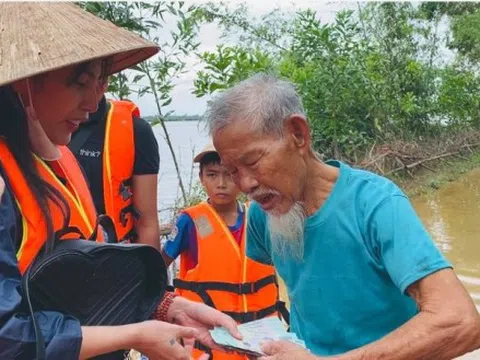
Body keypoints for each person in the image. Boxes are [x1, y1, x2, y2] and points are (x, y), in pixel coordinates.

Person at [0, 3, 240, 359]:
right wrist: (137, 336)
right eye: (81, 83)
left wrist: (163, 307)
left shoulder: (53, 158)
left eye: (101, 83)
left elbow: (84, 276)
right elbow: (9, 336)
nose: (95, 102)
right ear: (24, 84)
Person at [204, 73, 480, 360]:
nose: (245, 184)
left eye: (252, 162)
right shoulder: (265, 214)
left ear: (298, 134)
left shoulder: (376, 204)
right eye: (232, 170)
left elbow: (461, 321)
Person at [161, 144, 282, 360]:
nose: (221, 184)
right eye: (212, 175)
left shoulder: (258, 216)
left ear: (241, 177)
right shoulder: (189, 221)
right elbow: (158, 268)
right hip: (209, 344)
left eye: (228, 174)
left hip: (261, 342)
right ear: (201, 178)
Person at [69, 78, 161, 248]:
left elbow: (147, 223)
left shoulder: (135, 130)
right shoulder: (32, 126)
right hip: (48, 259)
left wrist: (152, 273)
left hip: (111, 255)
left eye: (91, 78)